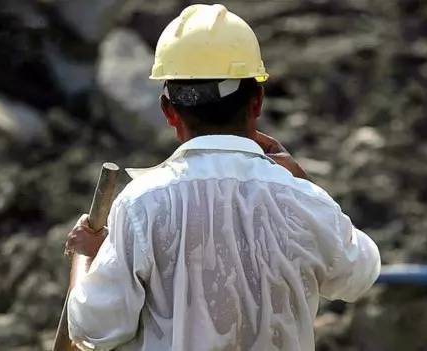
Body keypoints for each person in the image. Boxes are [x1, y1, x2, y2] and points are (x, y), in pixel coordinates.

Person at [65, 4, 380, 351]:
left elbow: (95, 328)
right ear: (257, 101)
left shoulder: (142, 204)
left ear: (169, 113)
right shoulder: (301, 200)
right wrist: (302, 181)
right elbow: (359, 275)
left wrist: (88, 256)